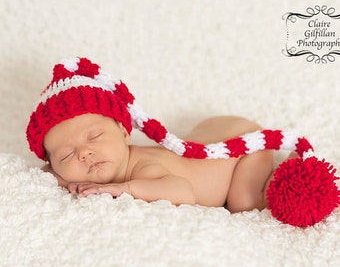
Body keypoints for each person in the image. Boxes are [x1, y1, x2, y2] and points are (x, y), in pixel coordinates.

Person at [27, 57, 339, 226]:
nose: (85, 152)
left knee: (244, 205)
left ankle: (281, 170)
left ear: (124, 132)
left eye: (94, 135)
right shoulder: (75, 166)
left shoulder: (143, 167)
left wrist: (122, 189)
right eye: (66, 155)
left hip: (240, 152)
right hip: (214, 127)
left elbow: (183, 192)